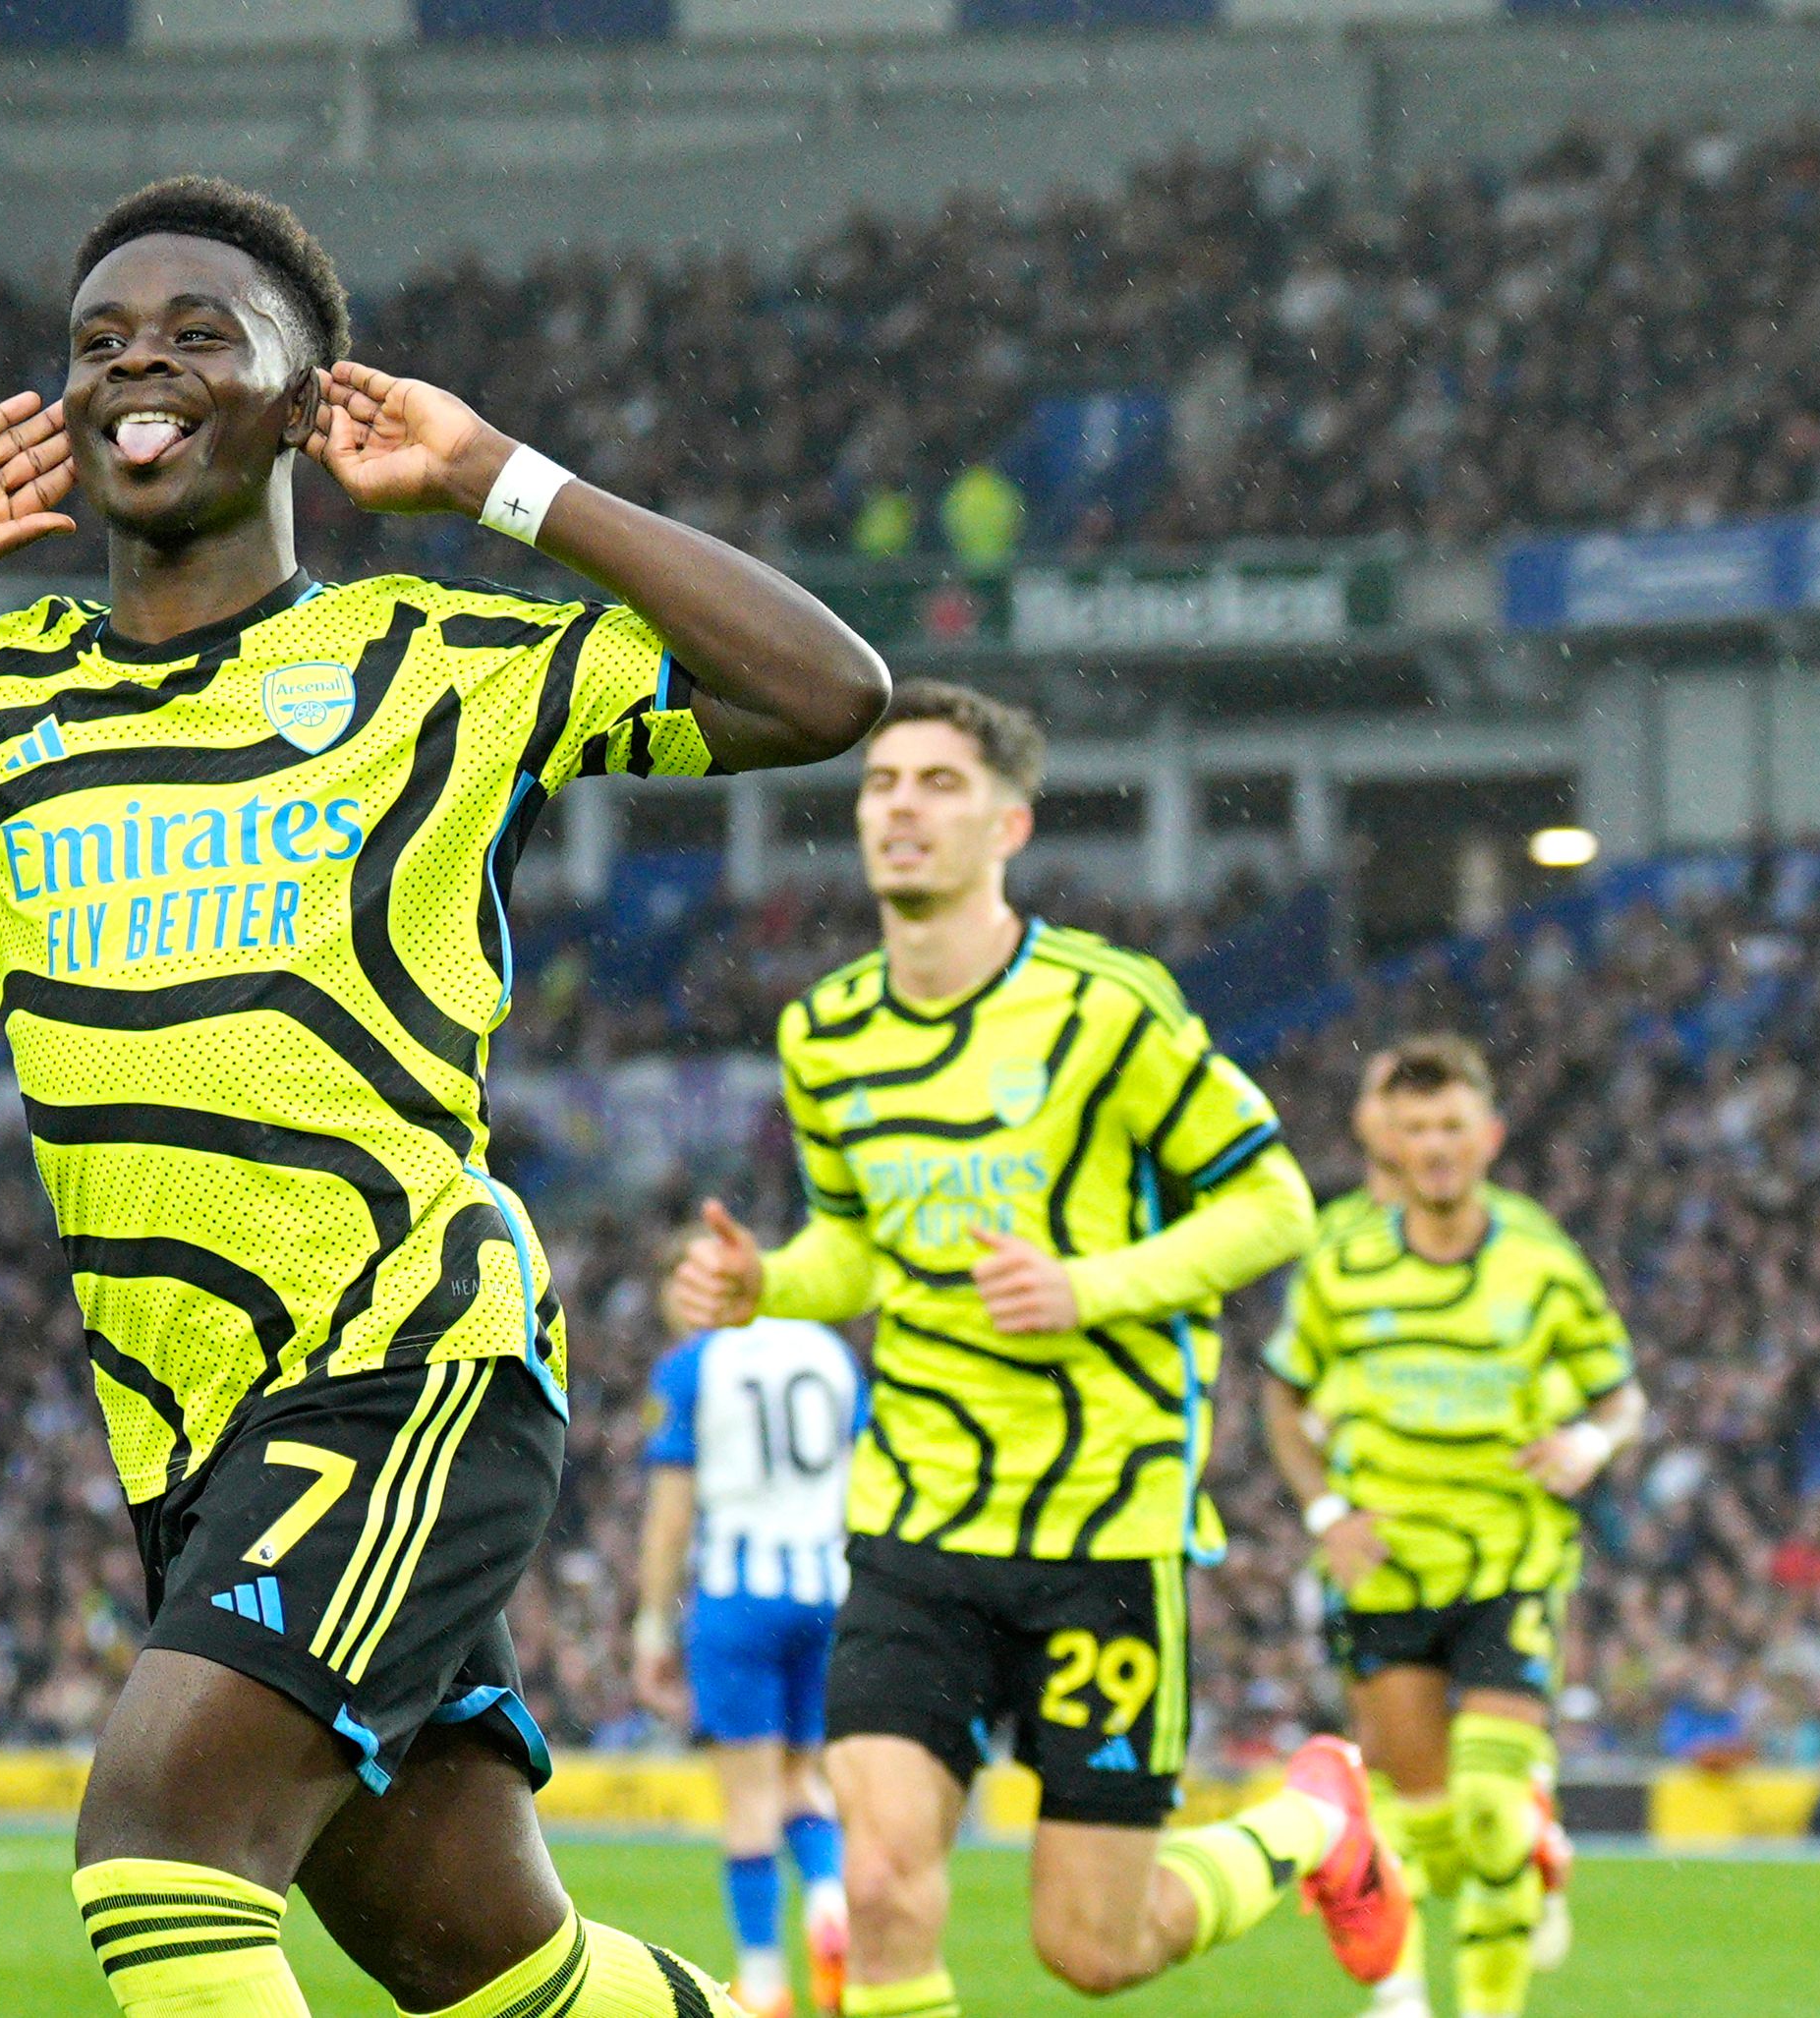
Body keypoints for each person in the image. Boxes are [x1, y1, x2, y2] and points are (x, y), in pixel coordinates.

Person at [0, 175, 887, 2018]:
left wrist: (502, 482)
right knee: (475, 1956)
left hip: (403, 1364)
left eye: (203, 334)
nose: (139, 364)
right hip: (189, 1436)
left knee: (159, 1854)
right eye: (100, 340)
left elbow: (825, 691)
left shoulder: (433, 660)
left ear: (303, 403)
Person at [664, 681, 1402, 2018]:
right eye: (882, 783)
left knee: (1093, 1948)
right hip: (916, 1518)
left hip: (1100, 1527)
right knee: (879, 1884)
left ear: (1007, 825)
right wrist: (764, 1281)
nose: (900, 807)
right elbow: (858, 1248)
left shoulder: (1105, 1009)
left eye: (939, 783)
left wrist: (1087, 1286)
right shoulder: (824, 1032)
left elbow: (1272, 1203)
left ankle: (1315, 1821)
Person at [1263, 1036, 1645, 2018]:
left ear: (1489, 1137)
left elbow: (1619, 1395)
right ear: (1387, 1139)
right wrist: (1325, 1511)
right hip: (1387, 1565)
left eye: (1450, 1126)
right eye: (1415, 1128)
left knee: (1485, 1812)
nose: (1433, 1146)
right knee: (1427, 1832)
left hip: (1508, 1561)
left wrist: (1590, 1442)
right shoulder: (1341, 1258)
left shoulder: (1537, 1261)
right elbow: (1281, 1393)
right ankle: (1422, 1966)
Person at [633, 1314, 864, 2017]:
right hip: (826, 1590)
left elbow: (671, 1516)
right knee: (804, 1778)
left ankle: (763, 1983)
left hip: (738, 1594)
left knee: (749, 1799)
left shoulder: (694, 1364)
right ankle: (828, 1903)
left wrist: (653, 1625)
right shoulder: (830, 1353)